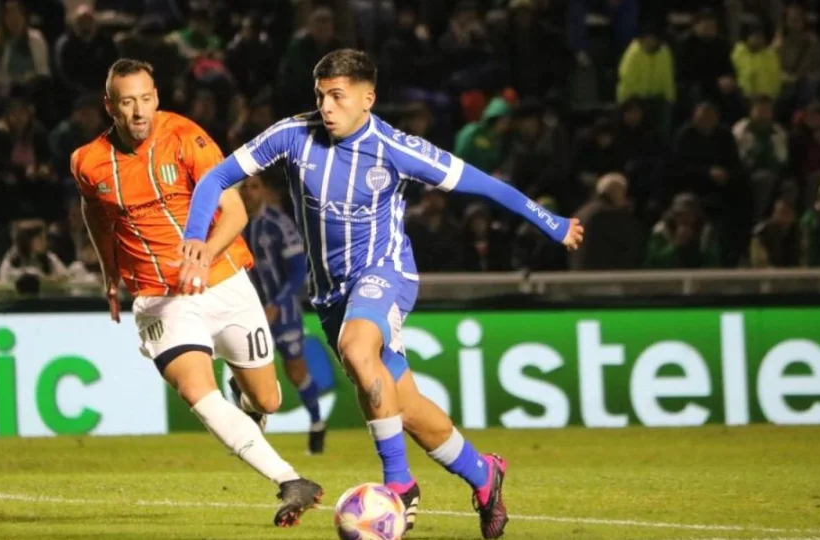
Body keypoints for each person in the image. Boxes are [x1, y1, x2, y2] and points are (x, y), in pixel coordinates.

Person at [178, 49, 584, 539]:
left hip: (384, 272)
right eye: (321, 96)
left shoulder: (395, 148)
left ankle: (400, 486)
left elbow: (484, 185)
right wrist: (196, 236)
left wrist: (553, 223)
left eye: (338, 96)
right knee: (403, 405)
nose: (326, 107)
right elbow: (217, 176)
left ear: (367, 98)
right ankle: (484, 474)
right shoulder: (293, 134)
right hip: (330, 295)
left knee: (357, 348)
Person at [70, 58, 322, 527]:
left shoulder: (186, 137)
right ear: (110, 106)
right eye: (128, 102)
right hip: (159, 297)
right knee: (195, 390)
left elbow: (235, 212)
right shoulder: (88, 162)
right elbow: (95, 213)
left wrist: (204, 253)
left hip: (224, 281)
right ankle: (291, 481)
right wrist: (109, 273)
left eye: (146, 99)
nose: (139, 111)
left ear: (157, 98)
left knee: (267, 401)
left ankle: (244, 397)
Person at [238, 173, 327, 455]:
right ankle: (249, 432)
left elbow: (299, 271)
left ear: (264, 191)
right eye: (244, 187)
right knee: (241, 371)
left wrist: (277, 304)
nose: (249, 192)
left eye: (255, 187)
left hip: (282, 311)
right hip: (247, 311)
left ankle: (317, 423)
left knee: (295, 369)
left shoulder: (278, 224)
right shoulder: (233, 224)